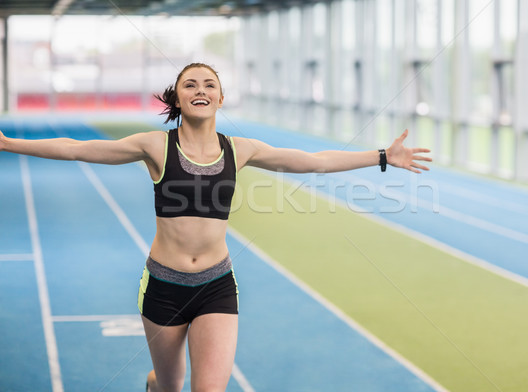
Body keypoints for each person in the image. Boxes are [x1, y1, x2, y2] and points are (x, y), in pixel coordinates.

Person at [0, 62, 432, 392]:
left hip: (216, 285)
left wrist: (381, 156)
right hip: (164, 286)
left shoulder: (240, 149)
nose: (200, 89)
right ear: (178, 98)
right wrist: (7, 142)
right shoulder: (155, 145)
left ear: (221, 99)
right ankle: (156, 385)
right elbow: (77, 149)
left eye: (209, 84)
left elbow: (314, 162)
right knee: (170, 385)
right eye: (190, 84)